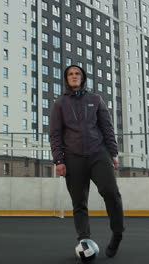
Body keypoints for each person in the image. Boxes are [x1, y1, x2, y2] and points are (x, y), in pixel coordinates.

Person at [49, 65, 125, 258]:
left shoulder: (95, 100)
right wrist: (59, 160)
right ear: (66, 79)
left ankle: (117, 233)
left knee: (111, 192)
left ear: (83, 78)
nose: (74, 76)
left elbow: (107, 128)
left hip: (98, 153)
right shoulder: (60, 104)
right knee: (79, 202)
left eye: (77, 74)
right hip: (73, 158)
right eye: (70, 74)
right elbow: (55, 134)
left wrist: (113, 153)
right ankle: (84, 240)